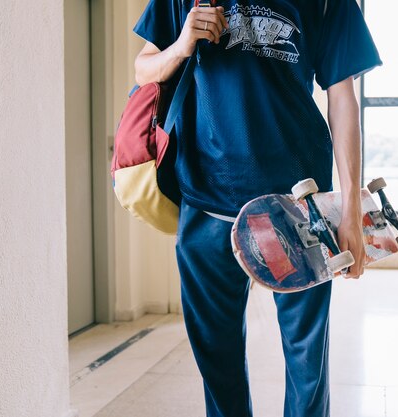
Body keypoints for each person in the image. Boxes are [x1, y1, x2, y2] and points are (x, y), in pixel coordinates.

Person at [132, 1, 381, 416]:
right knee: (217, 359)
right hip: (207, 200)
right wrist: (181, 46)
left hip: (300, 207)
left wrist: (351, 211)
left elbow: (342, 98)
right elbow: (144, 70)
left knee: (307, 364)